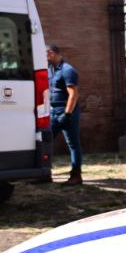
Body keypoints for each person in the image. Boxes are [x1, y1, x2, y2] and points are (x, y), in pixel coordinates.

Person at [46, 44, 83, 185]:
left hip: (68, 112)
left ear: (51, 53)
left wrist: (67, 114)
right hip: (53, 111)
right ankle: (44, 174)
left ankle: (76, 176)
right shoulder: (50, 69)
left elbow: (73, 94)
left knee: (73, 144)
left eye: (45, 56)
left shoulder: (68, 70)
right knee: (46, 142)